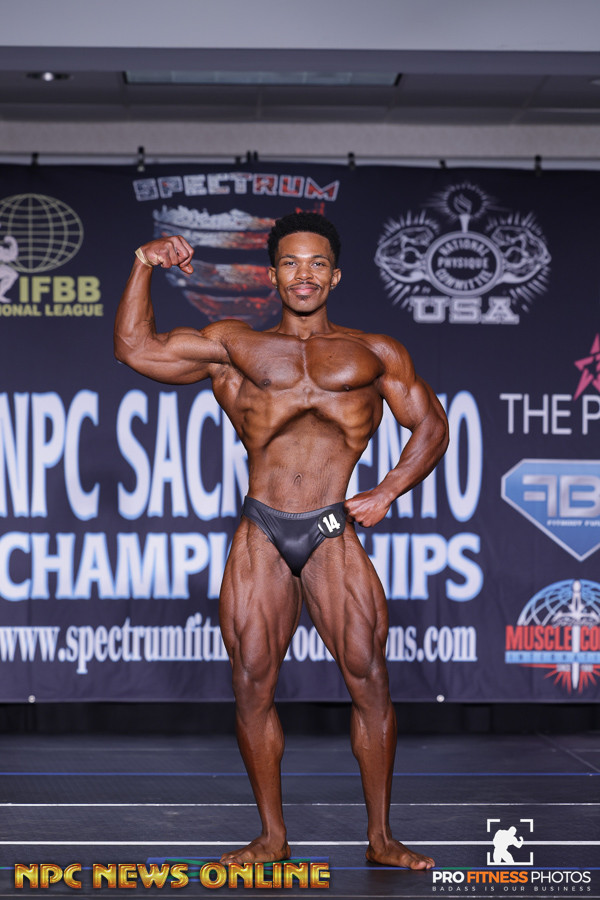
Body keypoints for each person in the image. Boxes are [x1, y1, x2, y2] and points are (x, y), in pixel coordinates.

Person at [114, 212, 449, 870]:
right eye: (291, 262)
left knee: (370, 680)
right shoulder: (234, 346)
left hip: (331, 531)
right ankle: (272, 838)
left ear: (335, 275)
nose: (304, 274)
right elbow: (135, 348)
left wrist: (387, 491)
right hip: (262, 529)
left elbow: (431, 425)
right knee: (251, 685)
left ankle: (381, 839)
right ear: (272, 275)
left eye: (317, 263)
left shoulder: (374, 353)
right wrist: (143, 264)